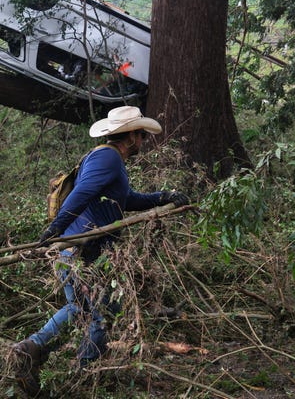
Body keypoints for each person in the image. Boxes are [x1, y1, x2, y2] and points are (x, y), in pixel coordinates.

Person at [13, 106, 189, 395]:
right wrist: (55, 229)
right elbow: (83, 193)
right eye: (142, 135)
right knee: (101, 314)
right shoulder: (107, 157)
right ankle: (81, 377)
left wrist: (163, 197)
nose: (144, 141)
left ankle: (35, 353)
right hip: (82, 250)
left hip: (79, 249)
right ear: (131, 135)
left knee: (84, 309)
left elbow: (125, 199)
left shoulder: (109, 160)